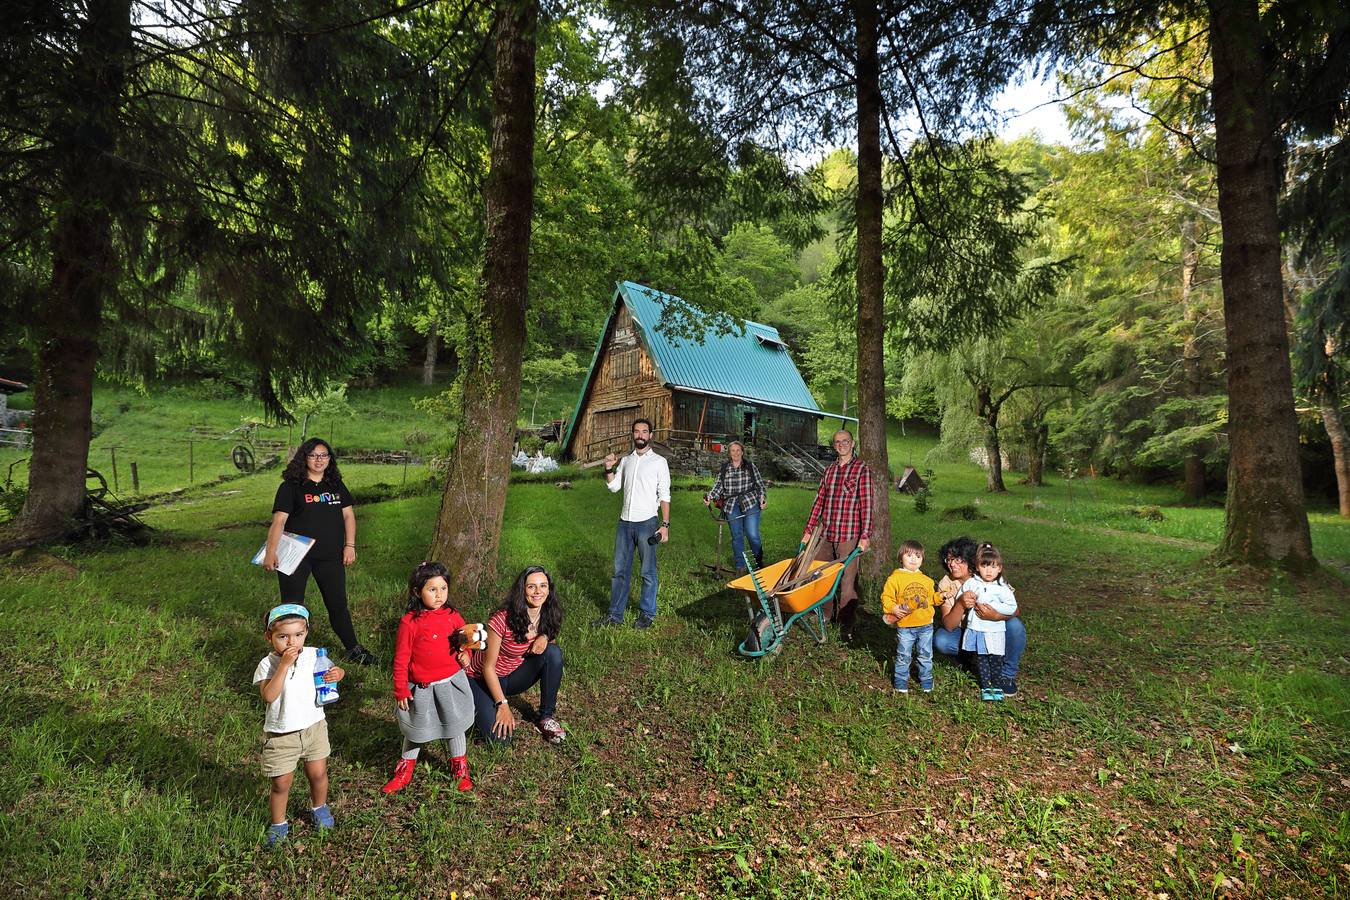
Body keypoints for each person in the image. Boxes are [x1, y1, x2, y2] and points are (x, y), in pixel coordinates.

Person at [263, 438, 376, 665]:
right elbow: (279, 522)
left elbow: (348, 516)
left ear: (330, 459)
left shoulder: (335, 485)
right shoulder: (291, 487)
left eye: (324, 455)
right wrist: (270, 551)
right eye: (313, 455)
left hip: (330, 556)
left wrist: (350, 545)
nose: (319, 460)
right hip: (295, 557)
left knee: (337, 604)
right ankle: (291, 655)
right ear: (304, 458)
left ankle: (353, 648)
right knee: (293, 607)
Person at [253, 604, 345, 850]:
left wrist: (338, 674)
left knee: (318, 773)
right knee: (281, 782)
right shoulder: (268, 664)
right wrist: (283, 666)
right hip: (282, 735)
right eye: (282, 637)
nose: (291, 642)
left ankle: (319, 806)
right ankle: (279, 823)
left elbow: (333, 671)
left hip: (314, 726)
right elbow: (269, 696)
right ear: (269, 637)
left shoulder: (315, 654)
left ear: (306, 633)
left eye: (298, 635)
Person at [381, 562, 476, 794]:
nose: (439, 595)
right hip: (421, 688)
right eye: (432, 589)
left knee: (454, 726)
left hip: (450, 683)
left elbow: (464, 642)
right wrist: (401, 689)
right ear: (417, 591)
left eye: (443, 589)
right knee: (416, 728)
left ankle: (460, 769)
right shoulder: (409, 622)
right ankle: (404, 770)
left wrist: (466, 654)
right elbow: (401, 659)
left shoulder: (453, 616)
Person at [467, 566, 567, 746]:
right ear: (522, 590)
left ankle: (546, 717)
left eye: (543, 586)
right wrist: (503, 704)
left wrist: (544, 636)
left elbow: (551, 633)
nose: (538, 592)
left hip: (511, 675)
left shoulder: (548, 612)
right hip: (482, 677)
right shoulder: (501, 619)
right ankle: (473, 711)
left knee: (553, 653)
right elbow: (487, 667)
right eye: (531, 587)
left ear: (549, 589)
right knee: (500, 741)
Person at [594, 418, 670, 629]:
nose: (640, 435)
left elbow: (665, 495)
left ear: (650, 435)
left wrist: (665, 525)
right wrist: (609, 468)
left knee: (647, 571)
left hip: (647, 523)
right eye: (637, 431)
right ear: (633, 435)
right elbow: (613, 487)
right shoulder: (626, 461)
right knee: (620, 571)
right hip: (624, 524)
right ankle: (615, 615)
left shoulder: (659, 462)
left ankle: (647, 614)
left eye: (644, 432)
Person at [800, 429, 873, 641]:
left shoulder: (861, 470)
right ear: (834, 446)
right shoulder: (829, 470)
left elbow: (867, 505)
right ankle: (824, 615)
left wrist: (865, 536)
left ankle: (846, 625)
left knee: (847, 583)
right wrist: (808, 531)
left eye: (845, 441)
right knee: (821, 575)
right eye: (837, 442)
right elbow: (818, 502)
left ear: (853, 444)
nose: (841, 445)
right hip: (827, 534)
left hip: (849, 535)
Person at [933, 536, 1028, 695]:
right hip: (965, 630)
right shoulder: (946, 583)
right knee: (942, 640)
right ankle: (970, 657)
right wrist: (961, 604)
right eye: (948, 560)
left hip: (992, 628)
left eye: (957, 559)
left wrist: (996, 616)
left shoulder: (990, 575)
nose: (952, 564)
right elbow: (949, 624)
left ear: (971, 561)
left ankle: (1007, 675)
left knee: (1015, 626)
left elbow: (1015, 610)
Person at [958, 542, 1018, 701]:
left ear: (999, 568)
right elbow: (961, 596)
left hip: (996, 631)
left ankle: (997, 686)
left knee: (996, 658)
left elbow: (1012, 607)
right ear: (977, 567)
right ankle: (986, 686)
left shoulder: (1002, 587)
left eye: (993, 566)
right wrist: (967, 599)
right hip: (978, 629)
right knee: (982, 659)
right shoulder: (972, 583)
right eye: (984, 566)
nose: (989, 571)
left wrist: (995, 610)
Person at [880, 539, 941, 693]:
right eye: (909, 555)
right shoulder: (895, 578)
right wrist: (893, 607)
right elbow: (886, 597)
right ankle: (901, 679)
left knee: (925, 654)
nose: (914, 559)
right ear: (901, 558)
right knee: (903, 654)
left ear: (922, 560)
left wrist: (941, 597)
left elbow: (931, 599)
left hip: (926, 625)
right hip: (906, 625)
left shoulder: (926, 581)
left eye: (918, 556)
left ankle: (926, 679)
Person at [703, 440, 768, 571]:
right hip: (731, 506)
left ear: (742, 452)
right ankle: (740, 565)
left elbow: (760, 485)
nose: (736, 453)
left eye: (738, 450)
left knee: (752, 534)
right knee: (737, 535)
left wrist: (762, 498)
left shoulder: (750, 466)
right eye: (733, 450)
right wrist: (710, 496)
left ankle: (758, 561)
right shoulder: (724, 468)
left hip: (750, 502)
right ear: (729, 453)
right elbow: (718, 487)